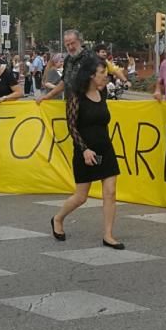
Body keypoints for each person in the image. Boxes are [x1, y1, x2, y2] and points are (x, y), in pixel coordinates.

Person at [49, 52, 125, 250]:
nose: (105, 76)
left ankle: (108, 235)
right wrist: (84, 150)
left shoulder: (104, 93)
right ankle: (58, 218)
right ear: (91, 74)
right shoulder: (76, 96)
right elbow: (72, 126)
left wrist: (118, 72)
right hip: (85, 150)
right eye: (101, 72)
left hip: (105, 149)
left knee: (110, 192)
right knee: (81, 196)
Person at [38, 29, 90, 103]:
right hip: (71, 105)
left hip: (88, 104)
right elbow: (64, 82)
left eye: (73, 43)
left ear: (80, 41)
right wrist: (47, 96)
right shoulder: (68, 60)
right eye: (67, 45)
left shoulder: (90, 57)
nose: (70, 47)